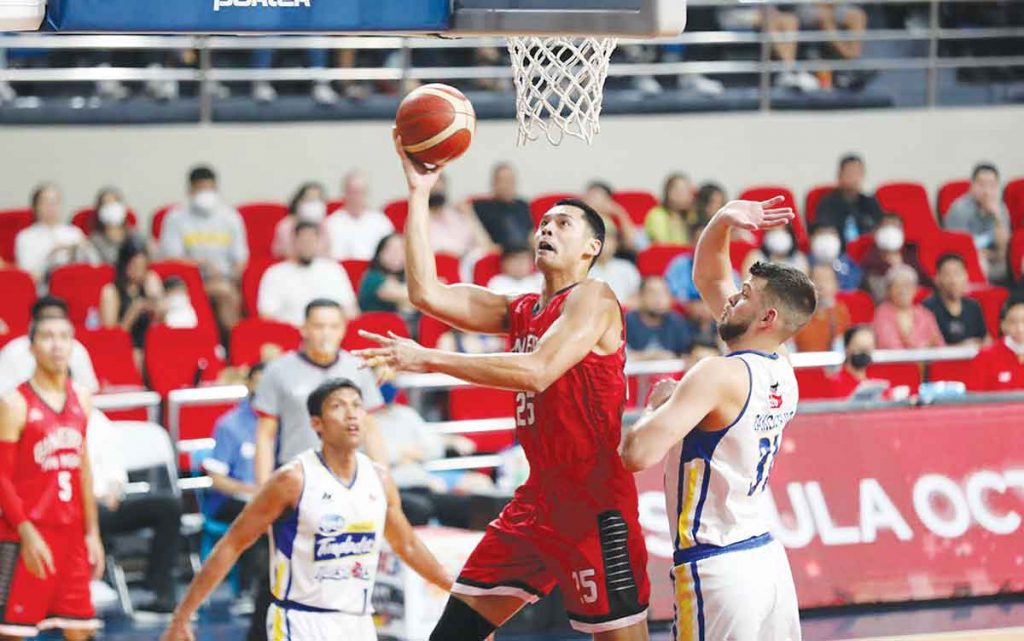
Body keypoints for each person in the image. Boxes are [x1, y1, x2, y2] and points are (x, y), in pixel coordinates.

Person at [354, 132, 652, 640]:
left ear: (593, 247)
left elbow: (538, 370)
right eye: (543, 223)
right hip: (536, 502)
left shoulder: (595, 298)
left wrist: (429, 358)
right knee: (451, 635)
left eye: (564, 224)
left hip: (593, 503)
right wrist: (419, 193)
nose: (547, 230)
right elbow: (426, 293)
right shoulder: (519, 310)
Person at [620, 195, 814, 641]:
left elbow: (636, 453)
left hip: (717, 566)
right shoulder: (781, 364)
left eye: (743, 296)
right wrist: (723, 219)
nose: (730, 299)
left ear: (766, 316)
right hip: (767, 561)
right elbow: (708, 275)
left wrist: (667, 406)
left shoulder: (716, 375)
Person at [160, 378, 453, 641]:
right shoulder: (293, 480)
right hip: (300, 621)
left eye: (357, 405)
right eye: (338, 406)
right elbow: (232, 544)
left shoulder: (379, 478)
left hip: (359, 622)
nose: (351, 413)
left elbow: (409, 546)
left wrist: (457, 593)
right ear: (316, 424)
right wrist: (182, 616)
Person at [0, 308, 104, 639]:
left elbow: (83, 470)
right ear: (31, 348)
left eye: (63, 337)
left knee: (80, 629)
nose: (56, 345)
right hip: (25, 534)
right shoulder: (15, 403)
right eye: (47, 337)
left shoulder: (82, 398)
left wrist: (92, 532)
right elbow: (1, 477)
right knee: (13, 633)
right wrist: (27, 532)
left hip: (71, 535)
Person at [88, 410, 182, 613]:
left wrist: (113, 489)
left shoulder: (97, 421)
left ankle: (159, 589)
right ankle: (94, 581)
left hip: (109, 502)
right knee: (90, 512)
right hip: (74, 506)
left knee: (169, 507)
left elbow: (115, 467)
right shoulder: (51, 421)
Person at [159, 165, 248, 332]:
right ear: (190, 191)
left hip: (224, 280)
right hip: (187, 284)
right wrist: (202, 264)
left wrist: (231, 277)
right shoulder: (175, 218)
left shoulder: (230, 217)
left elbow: (240, 259)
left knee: (227, 292)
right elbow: (171, 259)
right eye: (201, 189)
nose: (206, 194)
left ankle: (231, 346)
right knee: (224, 292)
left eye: (210, 189)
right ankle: (230, 344)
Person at [202, 364, 263, 591]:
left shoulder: (283, 421)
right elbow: (217, 480)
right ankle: (249, 591)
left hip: (271, 497)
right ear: (248, 384)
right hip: (229, 502)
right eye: (258, 381)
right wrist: (251, 492)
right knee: (258, 515)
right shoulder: (230, 424)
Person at [258, 222, 358, 327]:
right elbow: (267, 316)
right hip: (291, 336)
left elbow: (350, 310)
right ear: (293, 242)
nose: (307, 245)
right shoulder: (275, 273)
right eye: (303, 241)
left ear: (318, 242)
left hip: (331, 334)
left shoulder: (333, 269)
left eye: (311, 240)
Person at [0, 297, 99, 396]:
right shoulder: (13, 351)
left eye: (58, 319)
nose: (57, 346)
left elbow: (90, 391)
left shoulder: (77, 348)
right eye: (47, 336)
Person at [99, 237, 166, 368]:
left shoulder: (150, 281)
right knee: (138, 356)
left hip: (152, 344)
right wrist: (132, 312)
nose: (139, 272)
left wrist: (156, 299)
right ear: (124, 265)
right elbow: (111, 338)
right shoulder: (111, 292)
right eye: (134, 266)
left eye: (142, 266)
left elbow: (163, 320)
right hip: (127, 346)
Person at [944, 163, 1011, 282]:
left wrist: (997, 218)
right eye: (981, 185)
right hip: (968, 263)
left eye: (992, 185)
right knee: (981, 263)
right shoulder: (959, 209)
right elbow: (958, 251)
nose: (987, 191)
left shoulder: (1000, 208)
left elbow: (1004, 250)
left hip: (994, 261)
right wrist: (991, 255)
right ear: (972, 186)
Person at [15, 183, 93, 282]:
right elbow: (28, 277)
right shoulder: (26, 237)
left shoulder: (74, 233)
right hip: (44, 291)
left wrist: (85, 249)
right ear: (35, 207)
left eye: (55, 203)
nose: (51, 208)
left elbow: (93, 265)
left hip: (76, 285)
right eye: (46, 203)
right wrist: (50, 256)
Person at [813, 154, 885, 243]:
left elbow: (880, 227)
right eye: (850, 172)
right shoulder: (828, 203)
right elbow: (825, 232)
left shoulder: (869, 202)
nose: (855, 178)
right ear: (840, 175)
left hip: (866, 251)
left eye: (858, 173)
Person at [859, 213, 929, 303]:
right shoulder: (869, 259)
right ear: (877, 231)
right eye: (887, 227)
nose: (891, 232)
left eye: (896, 227)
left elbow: (925, 283)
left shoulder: (910, 254)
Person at [873, 265, 945, 350]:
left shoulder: (925, 314)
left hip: (927, 363)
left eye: (907, 285)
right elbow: (890, 346)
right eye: (897, 286)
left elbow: (939, 345)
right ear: (889, 290)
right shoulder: (882, 313)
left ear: (915, 289)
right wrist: (923, 346)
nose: (903, 290)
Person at [326, 171, 394, 261]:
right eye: (352, 192)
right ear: (344, 193)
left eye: (361, 192)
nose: (356, 197)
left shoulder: (380, 221)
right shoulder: (331, 223)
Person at [922, 254, 988, 346]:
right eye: (947, 274)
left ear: (966, 276)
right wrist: (961, 348)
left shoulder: (973, 306)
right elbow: (928, 347)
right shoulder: (927, 308)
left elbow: (985, 339)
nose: (953, 281)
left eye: (957, 274)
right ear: (937, 279)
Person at [426, 173, 494, 259]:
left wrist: (470, 215)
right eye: (434, 190)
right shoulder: (419, 221)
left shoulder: (456, 216)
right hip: (438, 266)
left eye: (440, 190)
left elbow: (487, 247)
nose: (437, 191)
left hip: (463, 264)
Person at [626, 276, 693, 360]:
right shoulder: (627, 322)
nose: (659, 298)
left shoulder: (676, 322)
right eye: (652, 293)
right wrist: (648, 356)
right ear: (640, 296)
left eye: (664, 293)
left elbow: (686, 355)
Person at [472, 163, 534, 251]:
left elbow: (531, 234)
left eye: (511, 181)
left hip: (526, 253)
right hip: (499, 254)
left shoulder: (523, 205)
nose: (508, 185)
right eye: (504, 181)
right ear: (494, 183)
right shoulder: (481, 207)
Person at [968, 297, 1024, 391]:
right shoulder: (984, 357)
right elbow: (974, 399)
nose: (1020, 329)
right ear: (1003, 325)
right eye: (1013, 322)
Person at [793, 264, 851, 352]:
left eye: (826, 280)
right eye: (816, 279)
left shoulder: (841, 312)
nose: (820, 285)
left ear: (836, 285)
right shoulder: (797, 313)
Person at [271, 182, 332, 260]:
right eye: (310, 199)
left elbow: (329, 252)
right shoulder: (286, 225)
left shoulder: (326, 225)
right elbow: (283, 252)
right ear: (299, 202)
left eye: (318, 200)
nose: (314, 204)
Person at [824, 324, 888, 398]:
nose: (863, 353)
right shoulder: (834, 383)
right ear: (847, 347)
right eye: (859, 347)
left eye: (868, 349)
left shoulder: (878, 384)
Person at [87, 187, 145, 265]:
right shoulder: (95, 239)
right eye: (106, 204)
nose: (111, 208)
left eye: (114, 203)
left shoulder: (134, 235)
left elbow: (146, 257)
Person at [589, 222, 642, 307]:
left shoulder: (627, 268)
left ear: (616, 243)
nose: (605, 243)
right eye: (600, 238)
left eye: (609, 238)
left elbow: (637, 298)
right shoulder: (582, 269)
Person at [358, 233, 413, 314]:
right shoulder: (373, 278)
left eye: (402, 249)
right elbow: (403, 295)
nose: (396, 254)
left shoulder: (405, 278)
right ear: (380, 253)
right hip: (375, 325)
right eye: (391, 249)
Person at [645, 173, 699, 245]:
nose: (689, 196)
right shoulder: (657, 215)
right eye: (683, 191)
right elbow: (661, 245)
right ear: (670, 193)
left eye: (689, 191)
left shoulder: (690, 216)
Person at [807, 223, 862, 291]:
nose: (827, 239)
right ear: (813, 237)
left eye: (831, 233)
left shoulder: (847, 262)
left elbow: (854, 283)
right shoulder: (805, 262)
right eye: (822, 233)